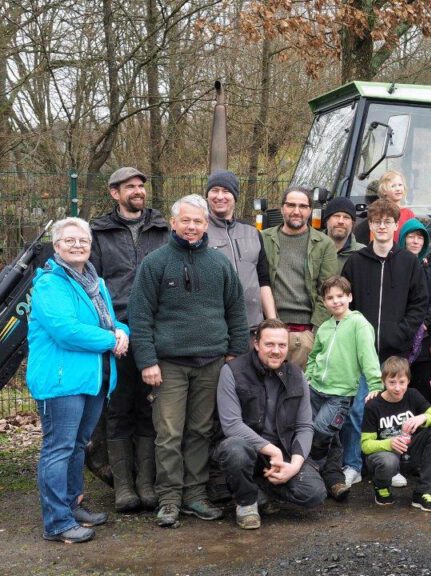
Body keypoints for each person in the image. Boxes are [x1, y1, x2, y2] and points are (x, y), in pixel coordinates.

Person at [128, 194, 250, 528]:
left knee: (200, 430)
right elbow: (140, 316)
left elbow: (236, 310)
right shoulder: (155, 263)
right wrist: (147, 361)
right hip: (168, 365)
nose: (192, 227)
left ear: (206, 224)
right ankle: (169, 498)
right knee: (168, 432)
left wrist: (234, 353)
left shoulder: (219, 263)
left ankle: (195, 495)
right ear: (174, 222)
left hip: (211, 362)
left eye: (198, 221)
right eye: (186, 220)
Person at [29, 217, 130, 543]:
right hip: (61, 382)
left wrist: (123, 333)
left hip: (92, 380)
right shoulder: (49, 283)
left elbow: (113, 321)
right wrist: (111, 339)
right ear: (57, 246)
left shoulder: (94, 281)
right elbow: (65, 330)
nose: (77, 245)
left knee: (76, 446)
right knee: (58, 448)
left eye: (82, 240)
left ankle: (73, 505)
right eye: (69, 240)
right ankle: (56, 522)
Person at [89, 167, 167, 512]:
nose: (138, 191)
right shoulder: (98, 234)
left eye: (140, 186)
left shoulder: (162, 229)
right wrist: (109, 329)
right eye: (130, 187)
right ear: (114, 193)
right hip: (116, 332)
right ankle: (124, 488)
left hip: (155, 330)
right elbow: (92, 285)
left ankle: (147, 484)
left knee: (149, 408)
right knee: (119, 408)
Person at [341, 198, 428, 490]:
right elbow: (345, 303)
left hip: (394, 352)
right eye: (376, 221)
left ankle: (391, 465)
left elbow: (419, 303)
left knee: (391, 413)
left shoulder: (409, 262)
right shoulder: (355, 262)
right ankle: (353, 464)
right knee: (358, 409)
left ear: (395, 225)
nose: (381, 226)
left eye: (387, 221)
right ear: (370, 226)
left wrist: (402, 333)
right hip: (360, 352)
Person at [215, 319, 327, 529]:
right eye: (269, 344)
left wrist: (293, 466)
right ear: (256, 344)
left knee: (314, 493)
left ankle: (260, 490)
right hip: (246, 449)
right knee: (235, 450)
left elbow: (305, 426)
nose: (276, 351)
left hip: (282, 452)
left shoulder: (297, 375)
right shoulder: (232, 371)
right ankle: (246, 503)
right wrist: (271, 450)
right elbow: (231, 425)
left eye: (282, 345)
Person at [304, 276, 383, 500]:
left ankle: (313, 469)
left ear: (349, 297)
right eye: (330, 297)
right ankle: (331, 475)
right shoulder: (325, 327)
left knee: (322, 430)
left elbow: (367, 354)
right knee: (319, 432)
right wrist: (309, 375)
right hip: (317, 389)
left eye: (340, 296)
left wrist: (375, 382)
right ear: (324, 302)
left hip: (341, 394)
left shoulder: (359, 324)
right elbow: (314, 354)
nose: (335, 301)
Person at [263, 187, 339, 368]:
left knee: (298, 392)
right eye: (291, 205)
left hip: (304, 332)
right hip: (270, 326)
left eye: (303, 206)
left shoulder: (324, 244)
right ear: (282, 208)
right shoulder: (264, 238)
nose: (296, 211)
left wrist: (314, 332)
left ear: (310, 210)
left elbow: (327, 290)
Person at [361, 356, 431, 512]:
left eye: (402, 382)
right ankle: (381, 486)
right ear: (383, 381)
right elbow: (365, 445)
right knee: (387, 460)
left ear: (408, 380)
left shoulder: (412, 395)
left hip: (411, 452)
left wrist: (424, 417)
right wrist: (389, 443)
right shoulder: (373, 405)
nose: (397, 388)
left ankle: (423, 492)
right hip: (387, 454)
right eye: (392, 382)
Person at [206, 169, 276, 330]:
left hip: (253, 327)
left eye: (226, 191)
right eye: (214, 190)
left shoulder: (252, 233)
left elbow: (263, 281)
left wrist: (272, 323)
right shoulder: (199, 232)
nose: (220, 196)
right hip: (216, 330)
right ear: (207, 195)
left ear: (235, 196)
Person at [398, 218, 431, 400]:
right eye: (411, 236)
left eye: (420, 237)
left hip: (423, 340)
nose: (416, 241)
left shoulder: (430, 270)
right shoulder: (394, 267)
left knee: (422, 390)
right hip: (399, 338)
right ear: (403, 239)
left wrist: (424, 323)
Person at [322, 196, 365, 271]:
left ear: (352, 223)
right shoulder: (311, 248)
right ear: (327, 220)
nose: (341, 221)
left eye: (346, 217)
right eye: (336, 216)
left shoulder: (363, 254)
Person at [376, 170, 416, 243]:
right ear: (384, 191)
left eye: (400, 185)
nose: (398, 189)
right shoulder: (378, 212)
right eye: (393, 186)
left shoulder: (409, 213)